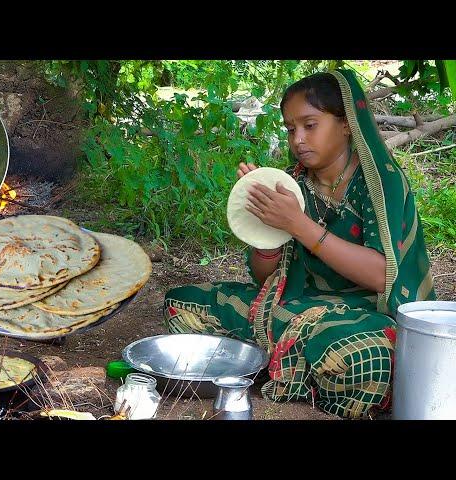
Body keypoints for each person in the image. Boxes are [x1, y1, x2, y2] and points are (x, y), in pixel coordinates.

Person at [163, 69, 436, 419]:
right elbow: (266, 280)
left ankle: (268, 363)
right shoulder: (292, 185)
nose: (298, 140)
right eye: (291, 129)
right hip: (295, 307)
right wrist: (265, 230)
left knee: (361, 360)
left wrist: (298, 224)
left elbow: (384, 276)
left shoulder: (380, 183)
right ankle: (294, 367)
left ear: (346, 124)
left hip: (365, 317)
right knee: (183, 305)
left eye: (310, 125)